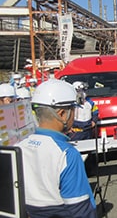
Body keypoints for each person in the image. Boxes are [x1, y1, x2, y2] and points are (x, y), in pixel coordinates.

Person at [16, 79, 96, 218]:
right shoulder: (67, 154)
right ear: (62, 114)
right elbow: (80, 209)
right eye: (72, 110)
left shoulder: (19, 147)